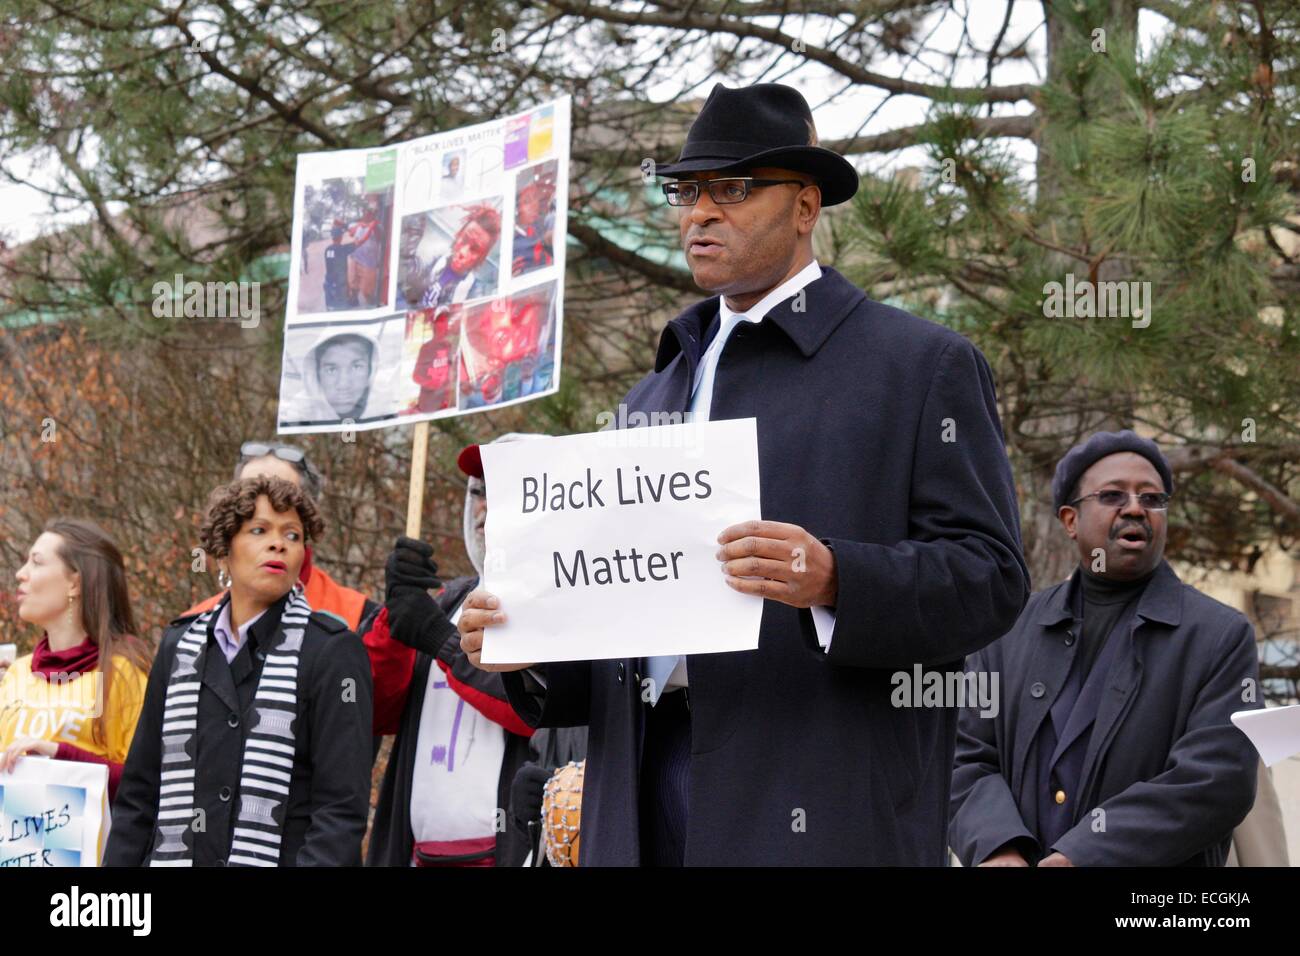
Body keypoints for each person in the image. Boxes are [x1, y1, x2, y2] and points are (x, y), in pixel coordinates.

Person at [460, 83, 1029, 865]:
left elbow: (992, 578)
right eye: (686, 191)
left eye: (732, 189)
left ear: (805, 206)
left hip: (815, 793)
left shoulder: (918, 366)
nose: (698, 212)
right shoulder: (652, 393)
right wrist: (526, 647)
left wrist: (837, 578)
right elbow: (618, 628)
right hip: (636, 789)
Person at [949, 431, 1261, 866]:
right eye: (1113, 495)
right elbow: (964, 757)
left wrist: (1082, 856)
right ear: (1070, 520)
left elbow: (1218, 780)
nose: (1135, 508)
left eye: (1152, 499)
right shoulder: (1007, 630)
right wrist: (998, 847)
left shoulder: (1220, 636)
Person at [106, 476, 373, 866]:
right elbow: (139, 794)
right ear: (222, 550)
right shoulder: (178, 646)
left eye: (293, 535)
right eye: (259, 530)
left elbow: (340, 811)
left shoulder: (332, 651)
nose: (278, 543)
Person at [366, 435, 542, 867]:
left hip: (507, 854)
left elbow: (538, 712)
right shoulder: (448, 600)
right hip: (418, 854)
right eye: (478, 492)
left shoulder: (558, 599)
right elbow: (373, 710)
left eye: (505, 486)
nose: (484, 505)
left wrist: (438, 641)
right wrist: (395, 619)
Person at [1, 520, 151, 802]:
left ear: (75, 582)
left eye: (36, 562)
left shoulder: (124, 673)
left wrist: (60, 755)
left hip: (84, 843)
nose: (21, 574)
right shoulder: (17, 672)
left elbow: (146, 784)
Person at [419, 205, 500, 311]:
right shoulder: (433, 259)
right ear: (458, 235)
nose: (463, 252)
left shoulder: (474, 293)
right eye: (464, 239)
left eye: (474, 249)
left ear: (481, 258)